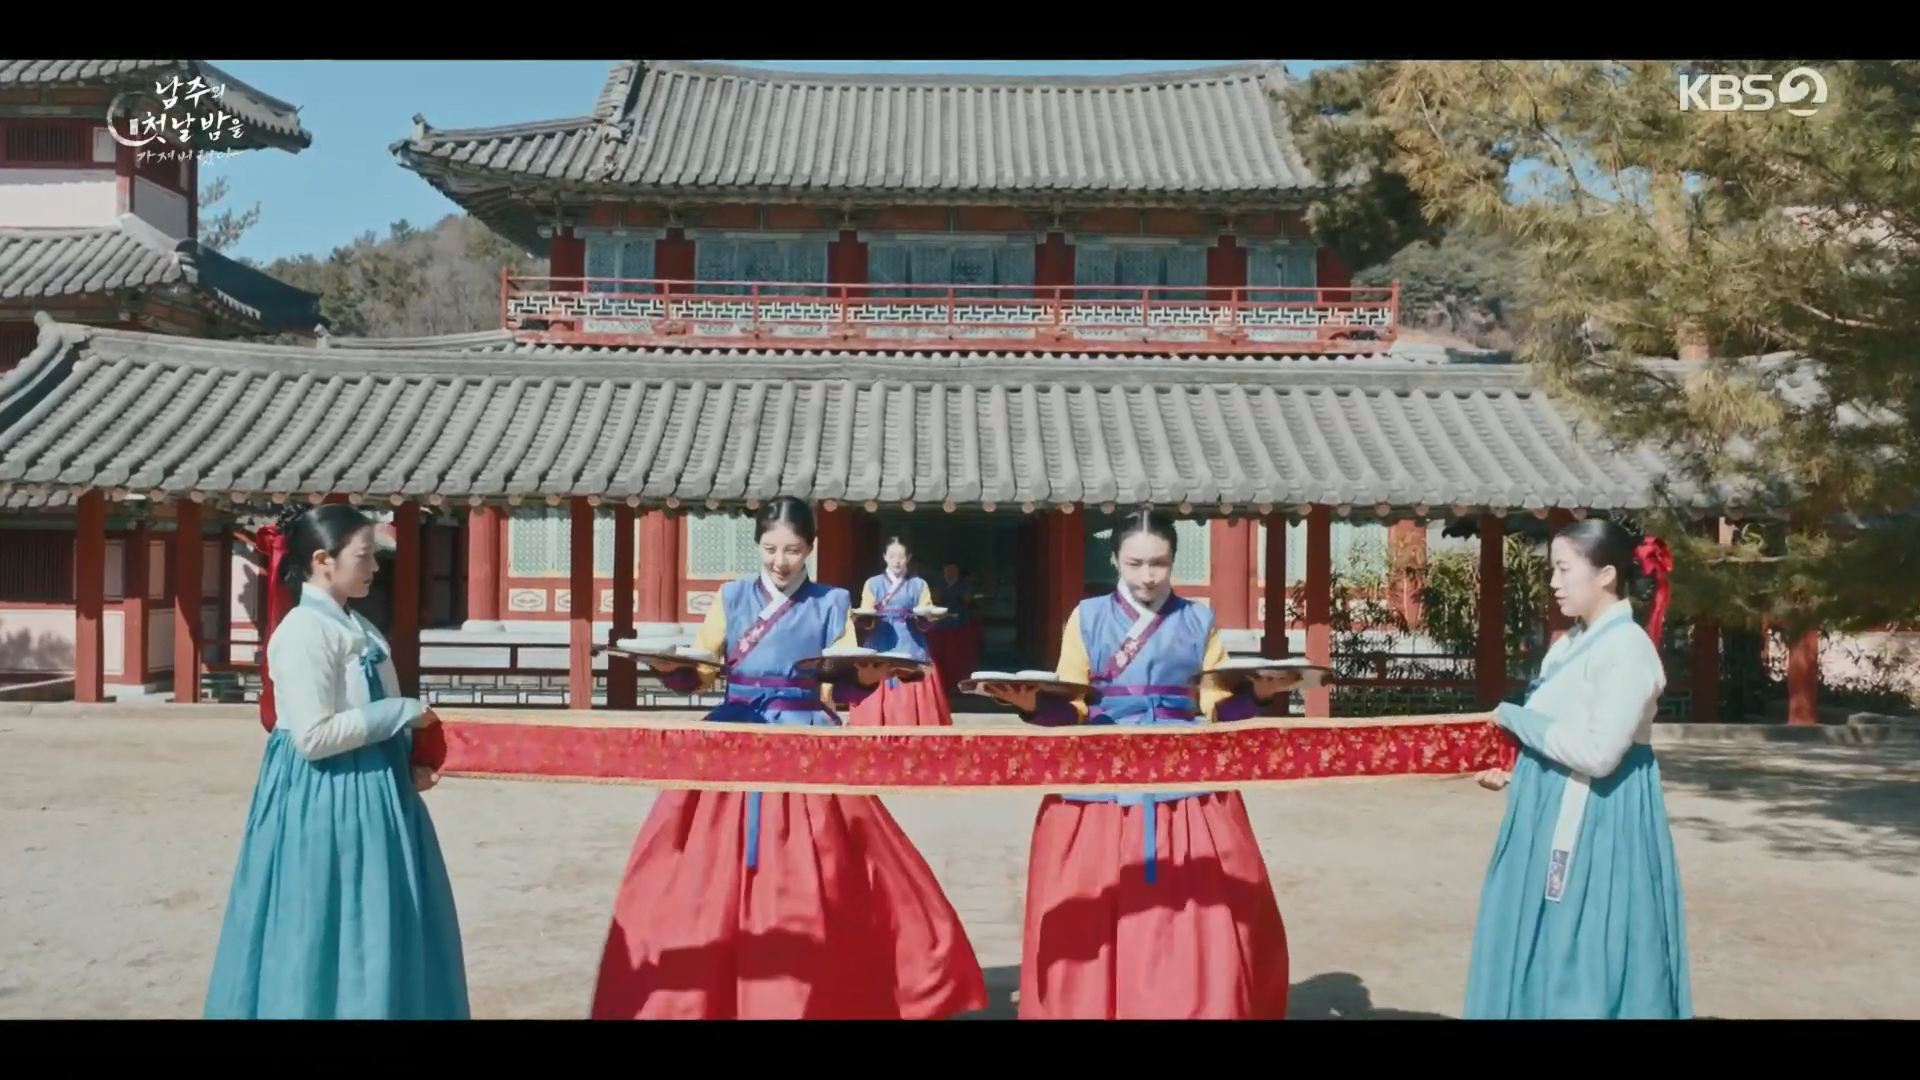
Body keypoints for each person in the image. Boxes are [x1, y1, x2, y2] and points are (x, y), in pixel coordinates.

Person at [591, 497, 988, 1020]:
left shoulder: (831, 602)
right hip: (735, 736)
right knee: (699, 871)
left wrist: (866, 676)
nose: (780, 561)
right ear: (758, 544)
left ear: (811, 549)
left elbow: (841, 678)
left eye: (793, 550)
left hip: (804, 739)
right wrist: (670, 667)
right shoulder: (732, 597)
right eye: (771, 549)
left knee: (828, 864)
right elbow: (701, 671)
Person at [979, 509, 1293, 1019]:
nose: (1148, 576)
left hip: (1184, 776)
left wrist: (1259, 694)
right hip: (1101, 772)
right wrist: (1030, 704)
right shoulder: (1087, 617)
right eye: (1135, 564)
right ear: (1114, 561)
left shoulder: (1198, 620)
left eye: (1159, 563)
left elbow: (1216, 705)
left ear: (1173, 560)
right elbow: (1073, 706)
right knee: (1089, 905)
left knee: (1211, 904)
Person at [205, 504, 468, 1020]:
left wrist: (408, 763)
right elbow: (313, 736)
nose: (374, 567)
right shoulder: (303, 631)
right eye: (364, 556)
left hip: (374, 793)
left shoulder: (357, 626)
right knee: (324, 926)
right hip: (325, 796)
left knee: (382, 922)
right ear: (322, 560)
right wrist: (399, 712)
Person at [1463, 519, 1691, 1019]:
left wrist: (1516, 719)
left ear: (1606, 575)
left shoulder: (1627, 649)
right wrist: (1516, 771)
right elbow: (1559, 733)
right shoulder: (1570, 643)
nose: (1554, 582)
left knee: (1585, 952)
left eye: (1564, 570)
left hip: (1597, 819)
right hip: (1547, 809)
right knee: (1541, 943)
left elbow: (1599, 754)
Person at [847, 536, 954, 727]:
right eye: (892, 556)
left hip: (910, 641)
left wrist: (928, 616)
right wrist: (865, 617)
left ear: (908, 558)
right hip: (880, 640)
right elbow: (866, 612)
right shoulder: (873, 583)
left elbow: (925, 611)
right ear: (885, 557)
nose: (896, 561)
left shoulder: (918, 584)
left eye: (901, 557)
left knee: (912, 676)